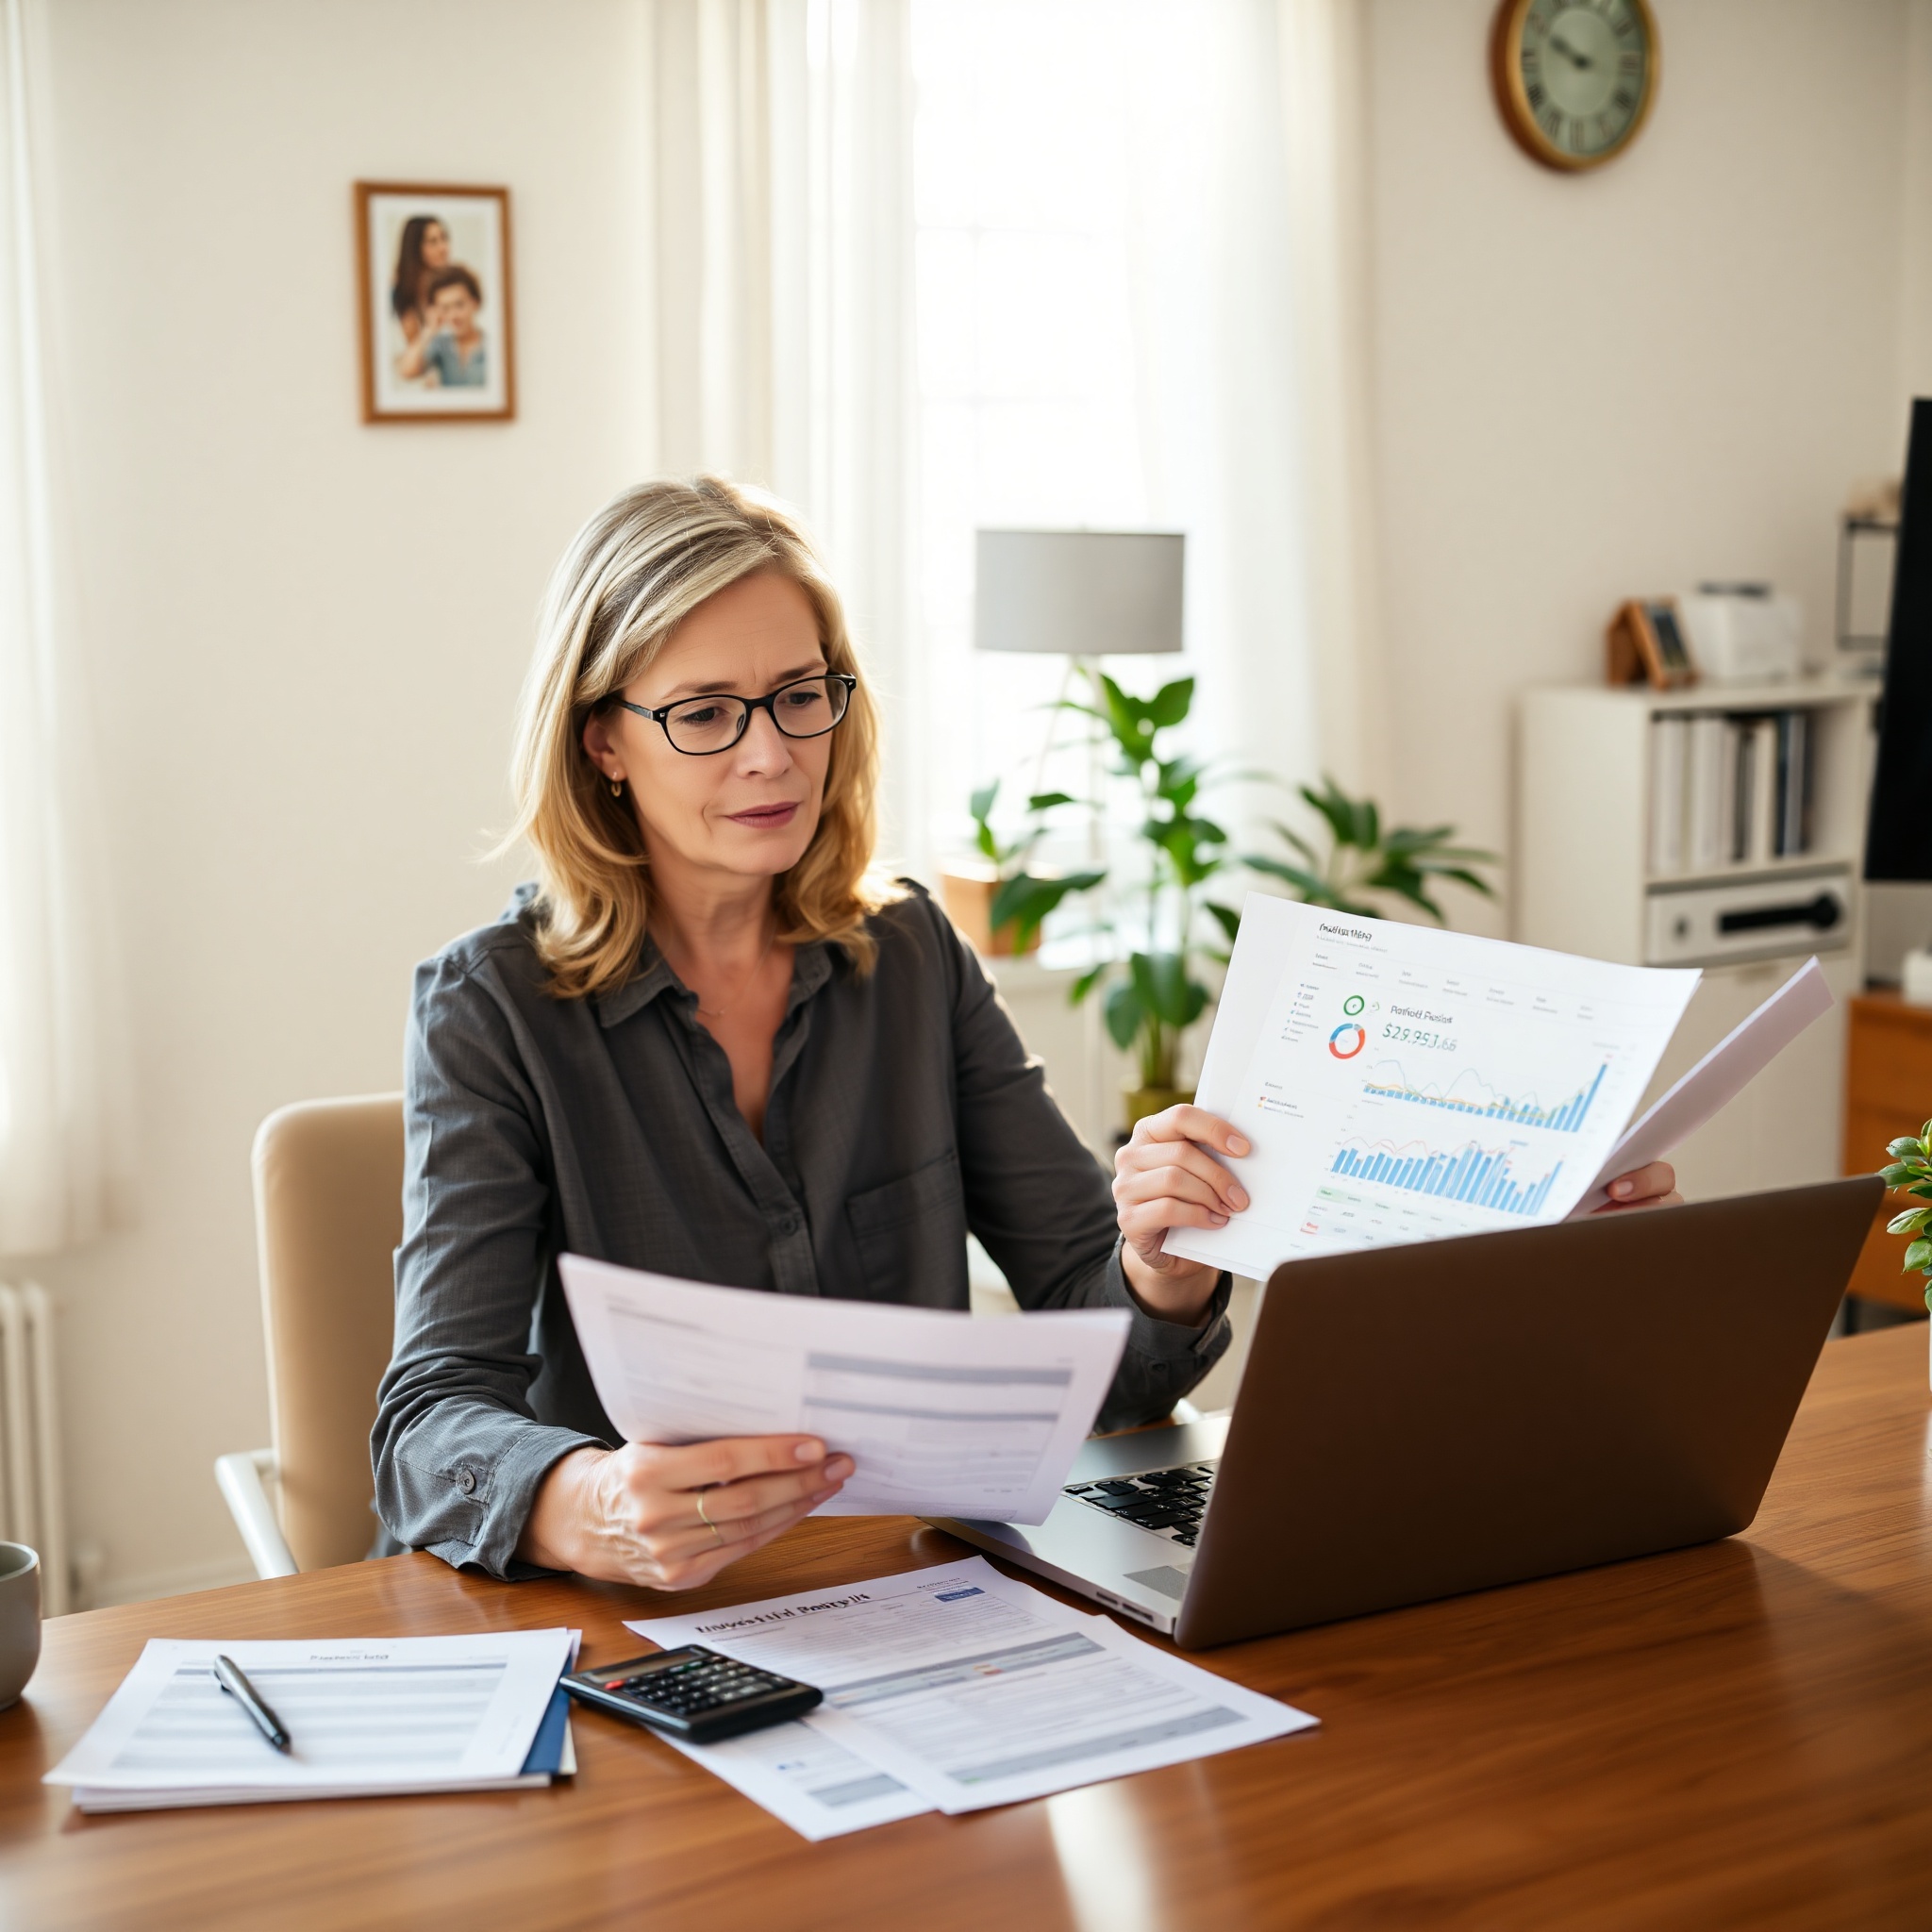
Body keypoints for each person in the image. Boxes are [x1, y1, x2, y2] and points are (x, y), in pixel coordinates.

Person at [371, 477, 1680, 1592]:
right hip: (644, 1631)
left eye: (799, 696)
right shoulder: (492, 1011)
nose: (769, 757)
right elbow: (428, 1425)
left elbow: (1094, 1338)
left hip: (911, 1590)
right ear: (604, 742)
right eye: (705, 713)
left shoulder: (911, 956)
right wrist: (586, 1504)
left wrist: (1164, 1268)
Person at [396, 266, 487, 389]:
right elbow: (406, 372)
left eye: (459, 305)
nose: (453, 315)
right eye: (445, 308)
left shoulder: (492, 345)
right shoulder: (441, 345)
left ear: (475, 303)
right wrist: (429, 329)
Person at [389, 215, 451, 348]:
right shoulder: (400, 292)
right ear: (415, 247)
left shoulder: (450, 287)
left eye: (444, 238)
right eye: (433, 242)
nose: (443, 248)